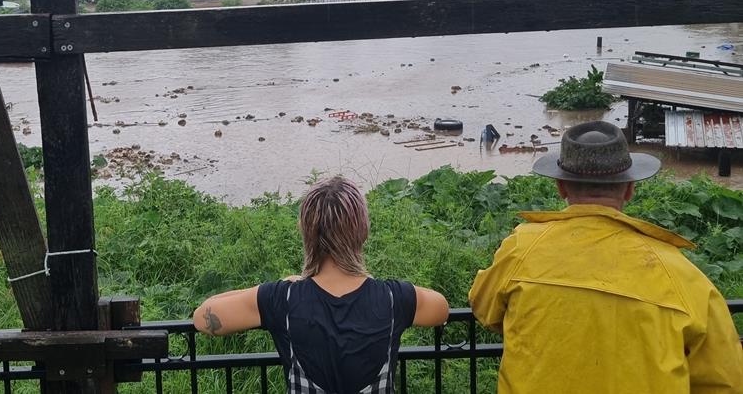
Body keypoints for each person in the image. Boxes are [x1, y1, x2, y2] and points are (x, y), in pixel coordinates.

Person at [469, 121, 743, 394]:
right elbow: (725, 380)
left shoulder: (522, 249)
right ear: (629, 188)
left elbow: (484, 308)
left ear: (561, 187)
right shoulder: (679, 273)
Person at [193, 176, 449, 393]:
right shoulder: (395, 299)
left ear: (306, 232)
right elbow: (441, 308)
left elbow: (203, 318)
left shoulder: (283, 300)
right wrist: (372, 281)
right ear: (362, 231)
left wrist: (280, 285)